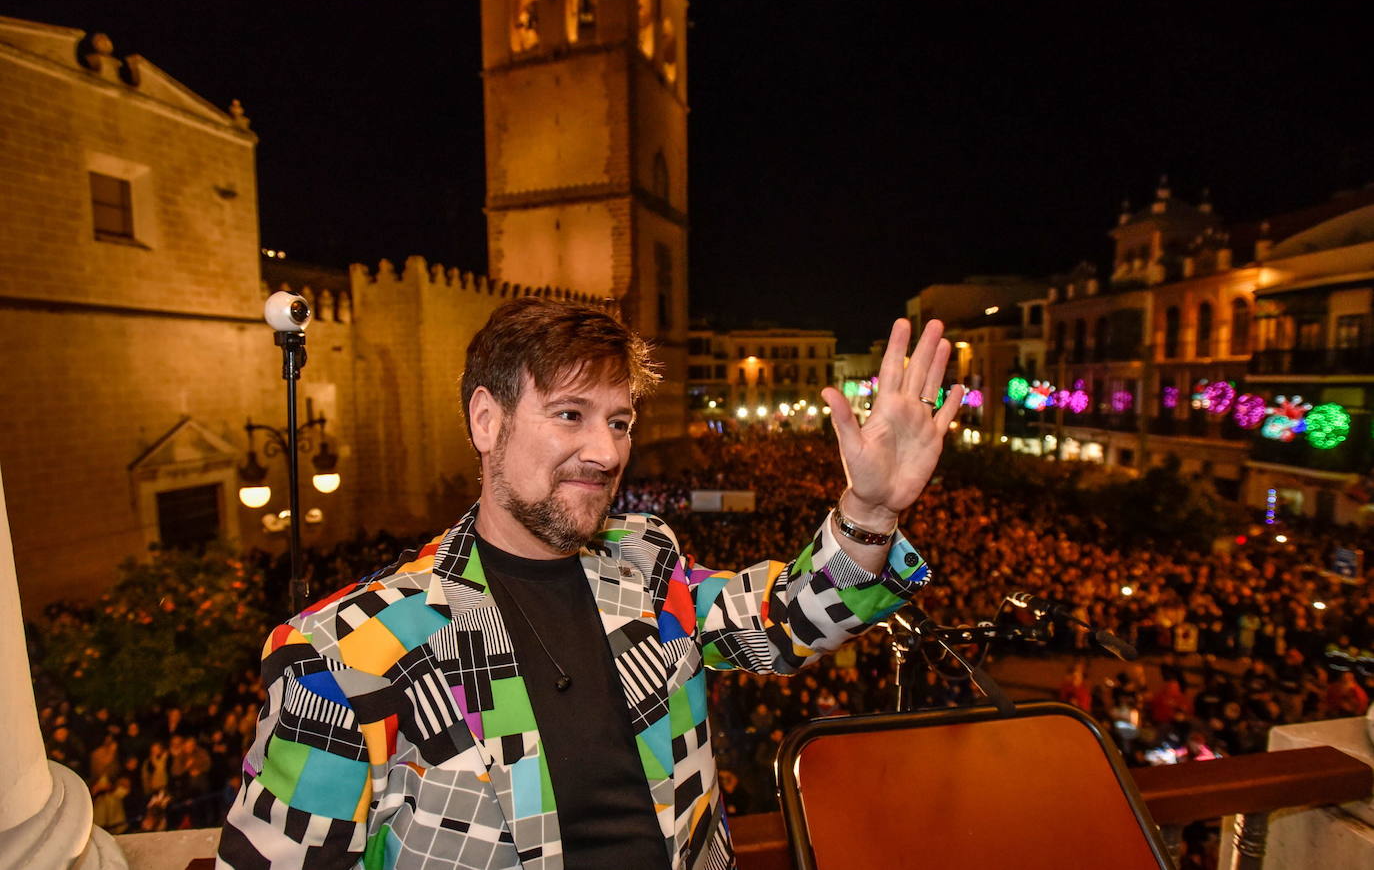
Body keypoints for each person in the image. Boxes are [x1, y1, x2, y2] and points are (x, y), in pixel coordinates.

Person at [219, 298, 961, 869]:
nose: (606, 451)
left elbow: (783, 624)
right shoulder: (348, 653)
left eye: (620, 420)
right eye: (570, 414)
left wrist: (870, 509)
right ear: (487, 419)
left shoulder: (647, 563)